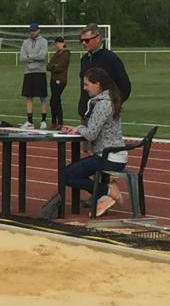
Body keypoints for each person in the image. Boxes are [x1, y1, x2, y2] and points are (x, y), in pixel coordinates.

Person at [54, 67, 127, 218]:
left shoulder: (103, 105)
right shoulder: (109, 100)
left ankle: (108, 191)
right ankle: (104, 195)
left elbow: (91, 134)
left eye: (87, 84)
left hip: (108, 157)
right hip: (114, 155)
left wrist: (79, 128)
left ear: (98, 84)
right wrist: (78, 129)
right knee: (71, 173)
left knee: (65, 175)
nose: (84, 88)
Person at [78, 23, 131, 119]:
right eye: (81, 40)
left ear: (98, 38)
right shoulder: (84, 60)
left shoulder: (111, 59)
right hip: (86, 114)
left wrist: (112, 106)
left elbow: (125, 86)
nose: (84, 43)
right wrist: (82, 108)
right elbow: (83, 88)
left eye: (87, 40)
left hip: (105, 116)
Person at [19, 23, 49, 130]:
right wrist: (34, 57)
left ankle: (43, 121)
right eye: (31, 31)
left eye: (34, 30)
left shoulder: (43, 41)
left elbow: (42, 56)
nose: (32, 32)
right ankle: (29, 121)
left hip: (40, 72)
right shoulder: (25, 42)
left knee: (43, 97)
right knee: (28, 97)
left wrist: (29, 56)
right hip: (28, 73)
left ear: (38, 31)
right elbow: (22, 58)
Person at [46, 36, 70, 129]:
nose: (57, 45)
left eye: (59, 43)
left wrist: (53, 67)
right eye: (56, 43)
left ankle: (59, 122)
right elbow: (48, 66)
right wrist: (53, 66)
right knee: (53, 101)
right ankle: (54, 121)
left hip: (60, 80)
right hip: (53, 79)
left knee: (56, 100)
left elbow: (59, 67)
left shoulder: (65, 54)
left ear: (63, 43)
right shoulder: (56, 53)